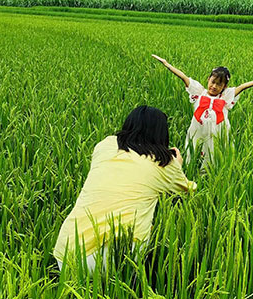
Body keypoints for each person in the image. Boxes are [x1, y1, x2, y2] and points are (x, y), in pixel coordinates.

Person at [53, 106, 196, 271]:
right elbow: (187, 190)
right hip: (116, 257)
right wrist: (177, 166)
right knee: (147, 222)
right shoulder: (164, 163)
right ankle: (128, 283)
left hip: (66, 252)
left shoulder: (105, 145)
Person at [152, 54, 253, 168]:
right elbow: (183, 77)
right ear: (208, 79)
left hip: (216, 132)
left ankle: (208, 172)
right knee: (194, 149)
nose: (214, 86)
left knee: (214, 153)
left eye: (219, 84)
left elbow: (243, 87)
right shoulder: (199, 92)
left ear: (224, 87)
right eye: (213, 82)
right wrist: (167, 64)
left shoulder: (225, 96)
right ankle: (190, 168)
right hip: (198, 129)